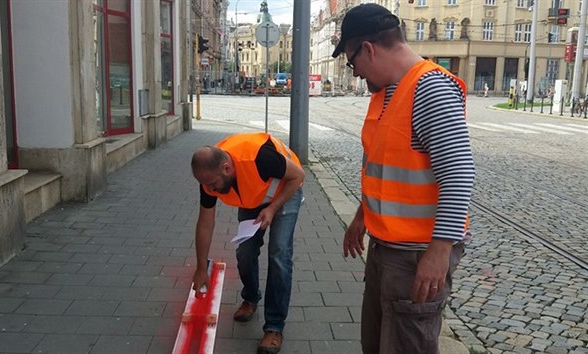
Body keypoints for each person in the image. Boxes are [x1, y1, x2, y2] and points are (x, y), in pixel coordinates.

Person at [331, 4, 475, 354]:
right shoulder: (387, 92)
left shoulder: (429, 89)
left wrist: (439, 252)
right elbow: (383, 167)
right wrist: (362, 215)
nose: (357, 74)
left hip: (416, 256)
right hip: (387, 248)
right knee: (380, 344)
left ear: (368, 48)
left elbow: (458, 175)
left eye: (352, 64)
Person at [190, 132, 304, 354]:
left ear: (226, 168)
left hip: (286, 189)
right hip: (254, 193)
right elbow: (205, 222)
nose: (211, 191)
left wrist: (272, 208)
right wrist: (201, 268)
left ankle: (274, 327)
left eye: (213, 185)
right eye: (206, 186)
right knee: (246, 251)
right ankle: (251, 298)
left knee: (279, 254)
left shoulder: (260, 158)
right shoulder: (209, 177)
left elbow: (298, 175)